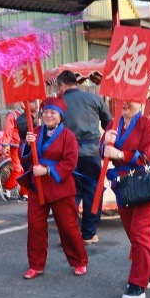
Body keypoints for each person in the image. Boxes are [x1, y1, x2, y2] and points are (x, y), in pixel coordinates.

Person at [18, 97, 88, 279]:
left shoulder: (68, 136)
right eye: (46, 112)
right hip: (36, 185)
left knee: (68, 226)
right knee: (35, 227)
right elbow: (24, 156)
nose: (48, 115)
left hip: (60, 186)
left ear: (61, 116)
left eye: (53, 112)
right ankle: (36, 264)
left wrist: (48, 170)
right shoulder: (36, 131)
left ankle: (79, 261)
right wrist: (26, 144)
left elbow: (70, 163)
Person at [101, 100, 150, 298]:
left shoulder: (147, 123)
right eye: (121, 100)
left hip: (145, 183)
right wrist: (104, 144)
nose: (125, 103)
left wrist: (119, 154)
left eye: (130, 100)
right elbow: (102, 153)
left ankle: (138, 283)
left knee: (139, 231)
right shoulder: (112, 124)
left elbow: (149, 156)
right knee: (133, 233)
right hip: (122, 185)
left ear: (141, 101)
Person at [56, 70, 112, 244]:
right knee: (93, 191)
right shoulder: (94, 99)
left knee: (70, 194)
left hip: (68, 154)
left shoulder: (59, 103)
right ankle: (89, 233)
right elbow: (109, 123)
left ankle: (68, 233)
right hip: (91, 152)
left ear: (62, 85)